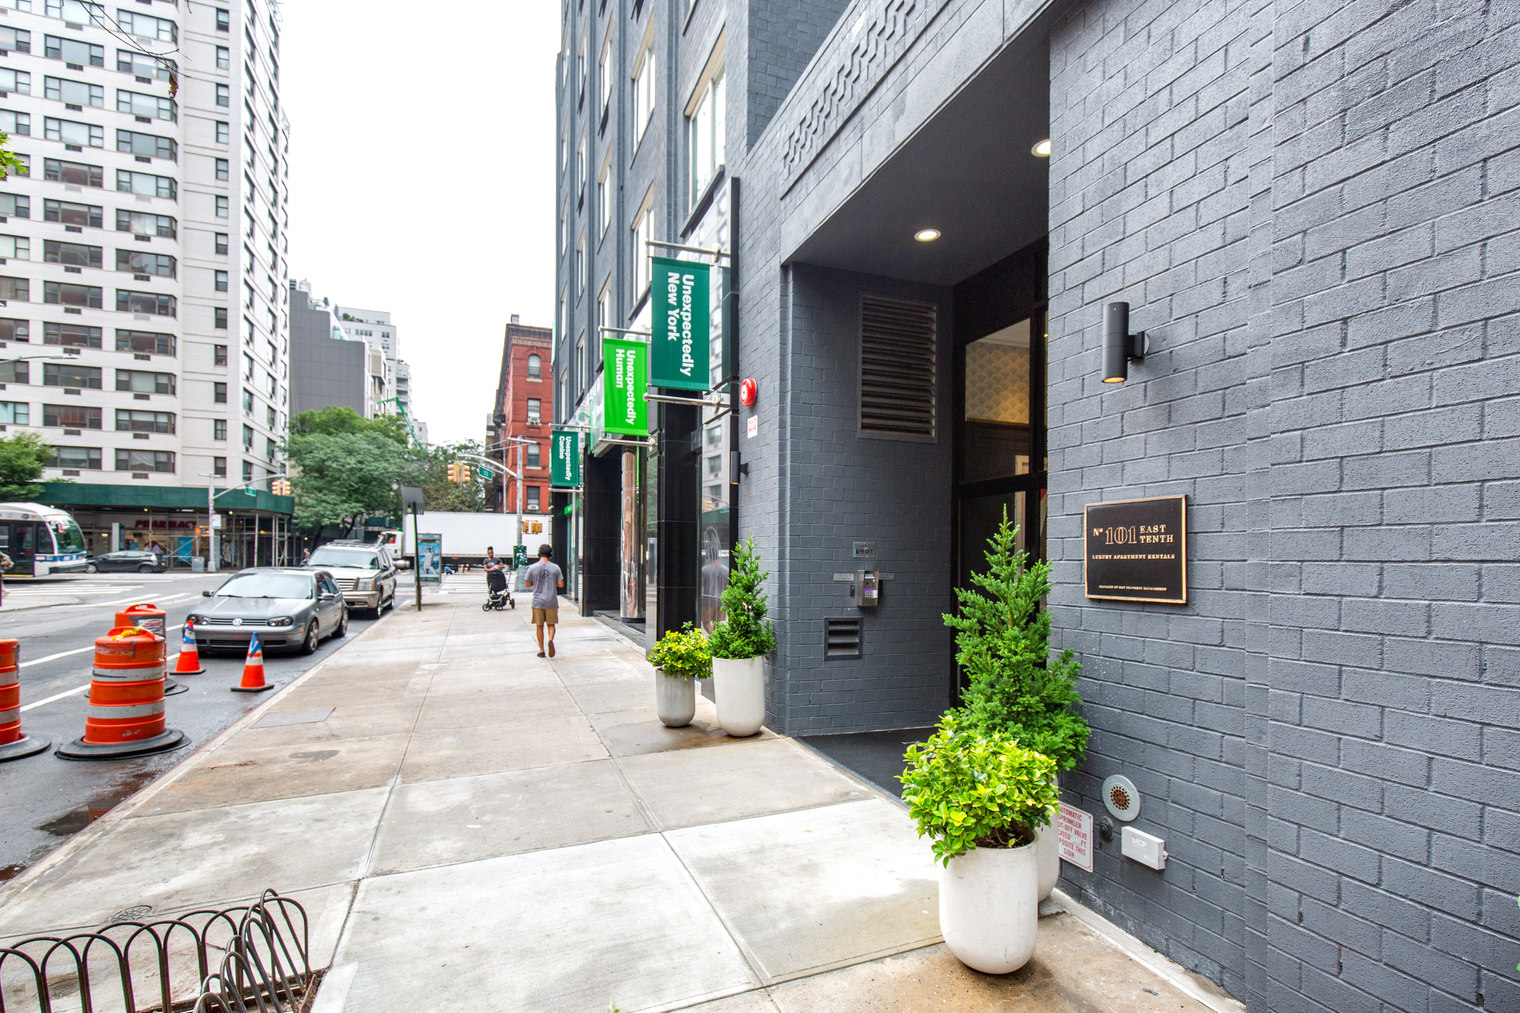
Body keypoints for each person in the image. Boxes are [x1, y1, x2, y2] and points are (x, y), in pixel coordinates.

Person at [524, 543, 565, 658]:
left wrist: (536, 582)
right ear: (550, 554)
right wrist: (552, 582)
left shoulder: (532, 567)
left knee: (539, 625)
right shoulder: (555, 567)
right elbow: (561, 584)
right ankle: (550, 640)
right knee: (551, 624)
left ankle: (541, 650)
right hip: (551, 601)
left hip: (538, 601)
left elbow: (527, 584)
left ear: (539, 554)